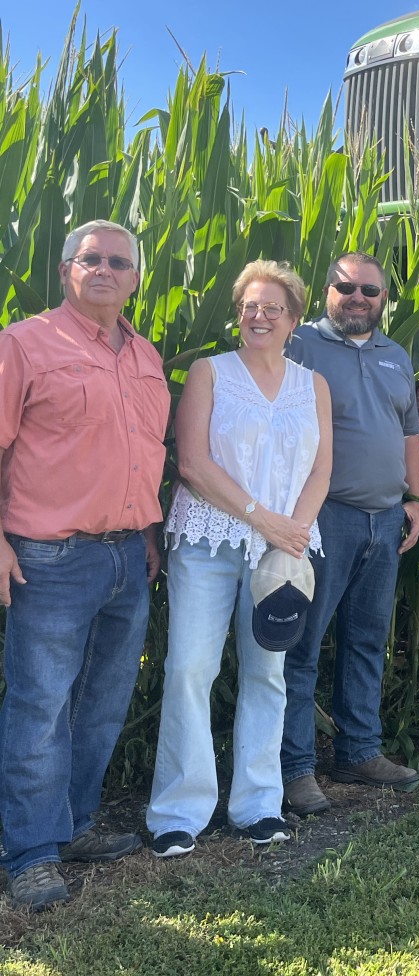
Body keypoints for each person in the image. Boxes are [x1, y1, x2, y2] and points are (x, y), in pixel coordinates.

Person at [0, 220, 170, 912]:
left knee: (101, 703)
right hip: (50, 556)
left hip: (129, 554)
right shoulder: (24, 343)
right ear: (67, 269)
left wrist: (151, 533)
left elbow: (149, 450)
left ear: (135, 278)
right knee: (40, 706)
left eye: (118, 261)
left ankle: (73, 825)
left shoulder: (147, 355)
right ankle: (31, 853)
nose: (103, 269)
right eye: (89, 259)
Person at [146, 260, 332, 858]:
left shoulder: (313, 385)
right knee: (189, 670)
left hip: (283, 552)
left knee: (267, 674)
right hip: (208, 541)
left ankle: (257, 804)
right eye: (250, 306)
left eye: (273, 307)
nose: (260, 316)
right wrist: (264, 517)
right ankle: (179, 811)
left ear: (294, 319)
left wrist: (294, 528)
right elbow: (193, 464)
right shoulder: (210, 373)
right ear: (238, 313)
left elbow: (322, 465)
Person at [279, 253, 419, 816]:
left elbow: (409, 430)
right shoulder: (301, 347)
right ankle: (295, 769)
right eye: (347, 287)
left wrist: (412, 497)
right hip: (322, 520)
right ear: (327, 291)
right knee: (302, 646)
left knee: (366, 640)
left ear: (383, 297)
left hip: (384, 519)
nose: (358, 297)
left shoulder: (396, 355)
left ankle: (359, 751)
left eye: (370, 289)